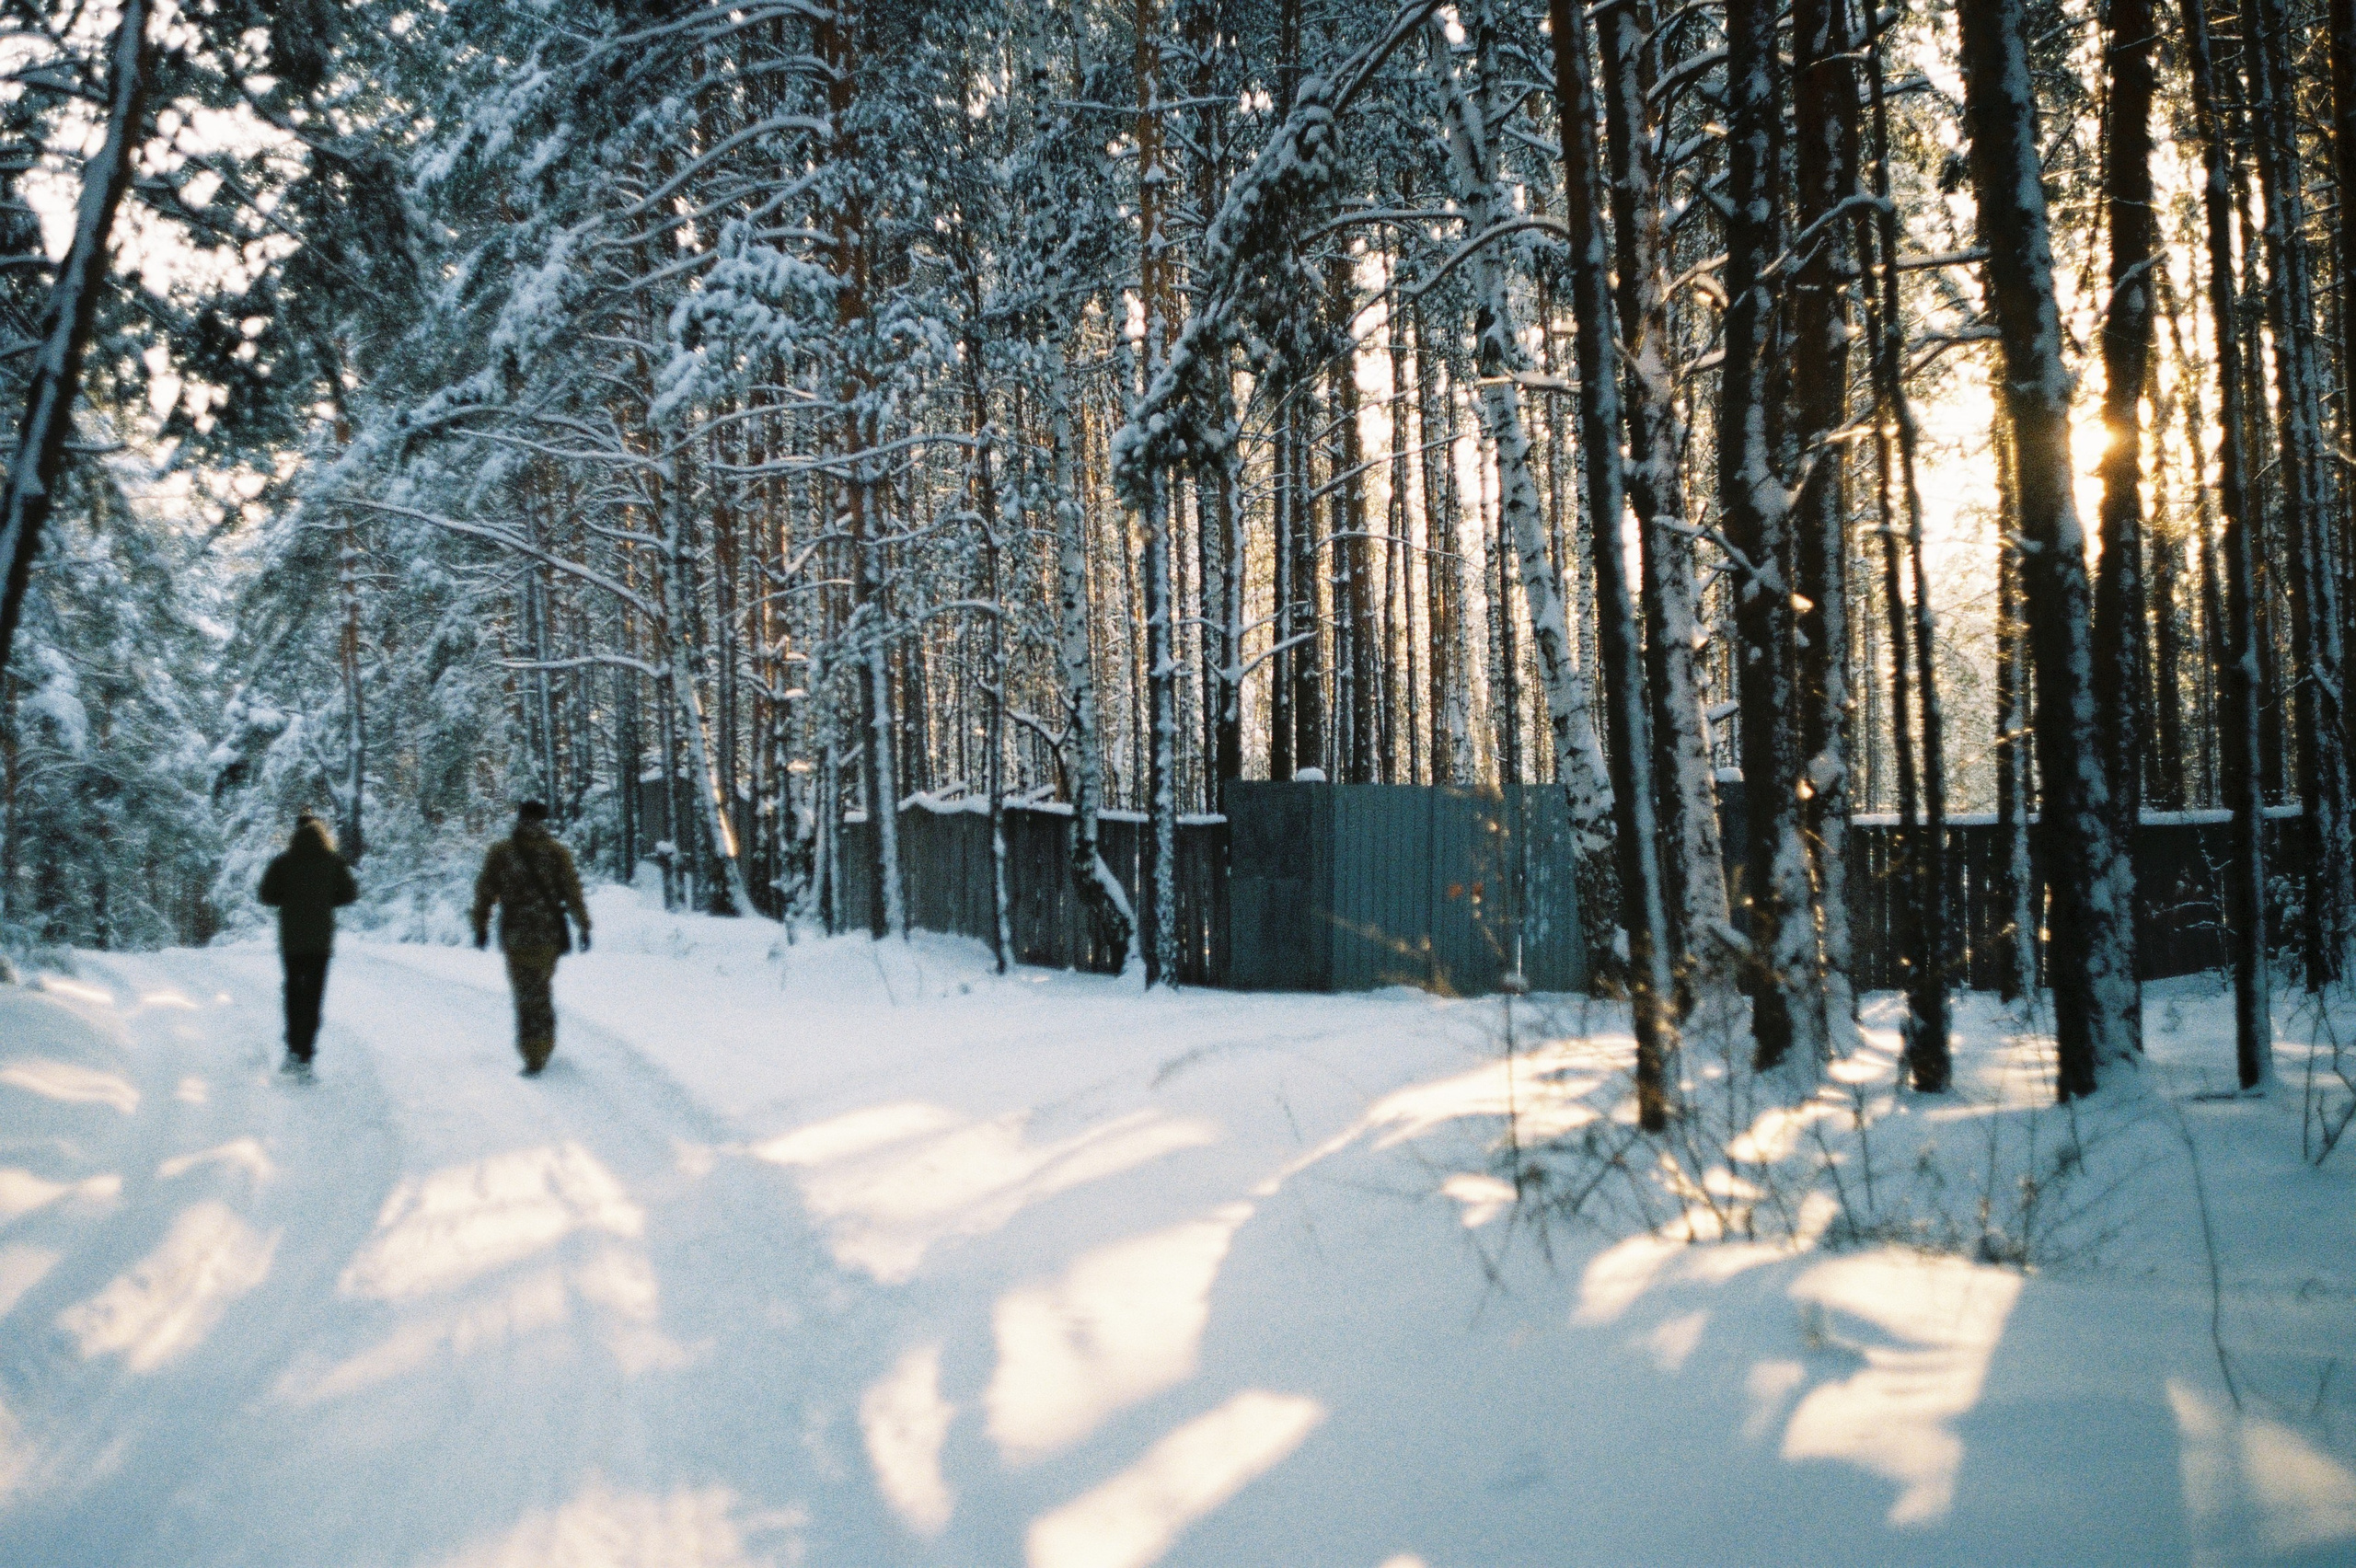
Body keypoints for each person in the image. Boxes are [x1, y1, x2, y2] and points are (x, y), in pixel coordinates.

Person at [472, 801, 591, 1076]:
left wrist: (480, 925)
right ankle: (541, 1047)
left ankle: (534, 1052)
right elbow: (572, 892)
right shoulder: (556, 853)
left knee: (526, 993)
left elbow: (485, 891)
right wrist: (583, 926)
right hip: (548, 936)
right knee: (540, 991)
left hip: (516, 936)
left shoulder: (501, 853)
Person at [256, 813, 359, 1074]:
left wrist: (289, 898)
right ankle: (307, 1054)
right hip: (320, 941)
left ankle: (292, 1049)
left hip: (291, 940)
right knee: (313, 995)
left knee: (293, 992)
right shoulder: (332, 861)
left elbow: (266, 894)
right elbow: (349, 894)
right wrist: (325, 901)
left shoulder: (283, 862)